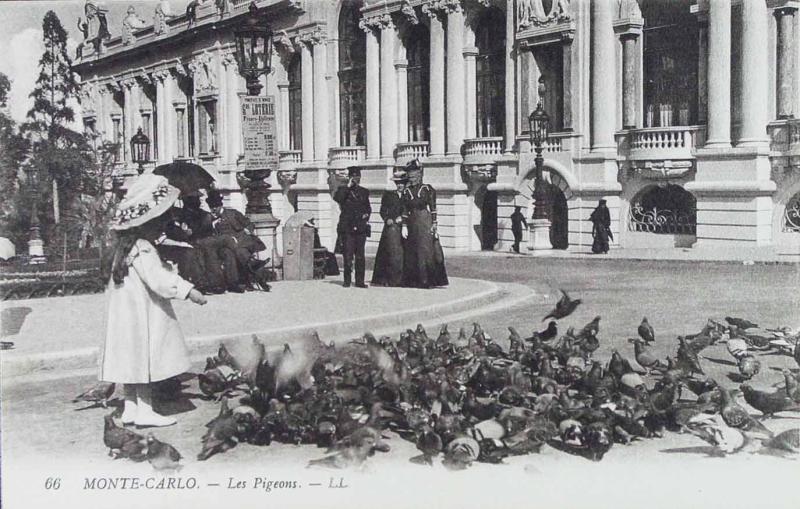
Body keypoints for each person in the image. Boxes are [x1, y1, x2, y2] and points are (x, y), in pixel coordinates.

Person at [100, 174, 207, 427]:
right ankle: (146, 410)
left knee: (129, 360)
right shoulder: (143, 247)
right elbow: (158, 280)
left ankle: (130, 406)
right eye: (161, 220)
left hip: (123, 317)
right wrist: (188, 290)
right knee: (145, 359)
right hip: (143, 316)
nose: (164, 225)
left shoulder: (121, 248)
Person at [203, 189, 266, 292]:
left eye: (215, 207)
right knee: (236, 252)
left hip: (243, 240)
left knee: (240, 251)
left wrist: (248, 230)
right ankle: (253, 269)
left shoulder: (233, 213)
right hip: (227, 246)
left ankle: (248, 279)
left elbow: (249, 223)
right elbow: (213, 237)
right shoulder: (211, 220)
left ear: (220, 205)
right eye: (211, 207)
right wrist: (213, 224)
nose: (213, 209)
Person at [402, 160, 448, 288]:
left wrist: (434, 224)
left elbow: (433, 207)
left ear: (420, 175)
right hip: (412, 222)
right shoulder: (406, 191)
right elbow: (405, 209)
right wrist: (404, 225)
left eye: (415, 175)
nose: (412, 178)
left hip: (424, 220)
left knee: (425, 250)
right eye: (410, 176)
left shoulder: (427, 189)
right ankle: (414, 280)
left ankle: (427, 280)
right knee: (413, 250)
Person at [333, 167, 371, 288]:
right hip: (347, 228)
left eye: (358, 177)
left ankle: (360, 281)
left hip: (360, 228)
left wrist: (366, 216)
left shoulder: (364, 192)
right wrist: (348, 187)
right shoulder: (342, 190)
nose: (356, 179)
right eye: (353, 177)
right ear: (350, 177)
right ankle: (347, 280)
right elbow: (338, 199)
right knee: (348, 255)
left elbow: (368, 208)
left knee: (360, 256)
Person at [371, 168, 408, 287]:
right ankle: (387, 279)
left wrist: (402, 219)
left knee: (404, 254)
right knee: (389, 253)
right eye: (398, 183)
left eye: (402, 183)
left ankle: (402, 279)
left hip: (405, 228)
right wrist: (387, 219)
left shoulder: (408, 195)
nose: (400, 185)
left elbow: (411, 210)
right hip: (391, 228)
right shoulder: (388, 195)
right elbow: (382, 210)